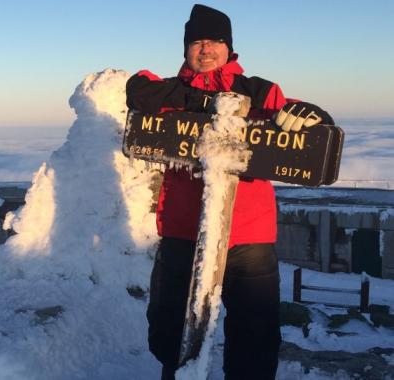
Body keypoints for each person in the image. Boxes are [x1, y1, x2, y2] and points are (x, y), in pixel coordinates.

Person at [125, 4, 333, 380]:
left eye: (215, 41)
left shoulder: (259, 91)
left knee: (254, 337)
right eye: (198, 42)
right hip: (182, 232)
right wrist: (206, 103)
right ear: (187, 49)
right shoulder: (169, 91)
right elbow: (137, 92)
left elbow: (307, 126)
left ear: (229, 48)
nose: (206, 50)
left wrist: (312, 115)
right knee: (170, 330)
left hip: (248, 236)